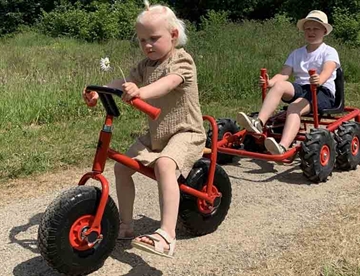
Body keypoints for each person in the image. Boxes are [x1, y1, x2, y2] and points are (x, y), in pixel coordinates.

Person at [83, 0, 206, 258]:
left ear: (173, 36)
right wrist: (100, 89)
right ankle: (126, 226)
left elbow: (168, 84)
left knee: (164, 165)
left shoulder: (182, 61)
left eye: (153, 38)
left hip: (186, 132)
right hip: (157, 134)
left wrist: (141, 92)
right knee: (121, 167)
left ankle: (166, 235)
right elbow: (122, 82)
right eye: (141, 40)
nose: (147, 45)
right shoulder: (144, 66)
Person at [237, 10, 340, 155]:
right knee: (280, 85)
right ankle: (258, 123)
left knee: (294, 107)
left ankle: (282, 147)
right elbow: (284, 74)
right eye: (308, 29)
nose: (311, 32)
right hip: (302, 88)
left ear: (324, 31)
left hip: (322, 91)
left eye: (315, 28)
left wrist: (319, 80)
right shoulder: (296, 53)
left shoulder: (329, 51)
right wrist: (270, 82)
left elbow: (327, 70)